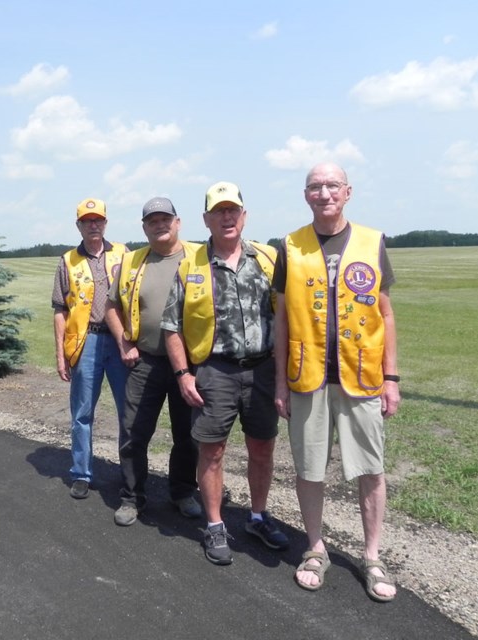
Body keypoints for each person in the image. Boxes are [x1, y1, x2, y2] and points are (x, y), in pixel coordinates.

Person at [272, 162, 400, 602]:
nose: (323, 193)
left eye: (331, 186)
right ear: (305, 195)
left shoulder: (372, 241)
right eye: (315, 187)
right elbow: (283, 319)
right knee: (309, 469)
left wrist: (391, 378)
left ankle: (372, 556)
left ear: (347, 192)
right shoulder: (290, 246)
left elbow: (384, 313)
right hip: (307, 377)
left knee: (370, 468)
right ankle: (315, 548)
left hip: (361, 377)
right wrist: (280, 384)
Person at [162, 181, 289, 565]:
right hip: (214, 372)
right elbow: (171, 326)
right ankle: (215, 525)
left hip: (263, 371)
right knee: (212, 451)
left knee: (262, 448)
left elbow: (286, 317)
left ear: (245, 216)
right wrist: (184, 374)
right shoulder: (191, 265)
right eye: (219, 211)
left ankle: (257, 516)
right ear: (206, 220)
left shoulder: (267, 259)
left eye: (233, 209)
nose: (227, 217)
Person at [105, 197, 202, 526]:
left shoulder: (200, 258)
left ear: (178, 222)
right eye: (152, 221)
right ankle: (133, 497)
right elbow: (111, 306)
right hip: (144, 361)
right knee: (133, 432)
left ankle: (183, 492)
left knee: (187, 435)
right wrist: (123, 342)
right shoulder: (132, 262)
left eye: (166, 219)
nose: (160, 225)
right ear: (144, 227)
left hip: (189, 365)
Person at [52, 198, 130, 500]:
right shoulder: (68, 260)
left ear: (106, 223)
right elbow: (60, 310)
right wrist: (61, 354)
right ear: (79, 225)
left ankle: (130, 475)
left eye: (98, 219)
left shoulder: (124, 255)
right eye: (87, 220)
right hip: (86, 343)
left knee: (129, 413)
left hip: (120, 340)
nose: (93, 225)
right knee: (82, 413)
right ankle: (81, 473)